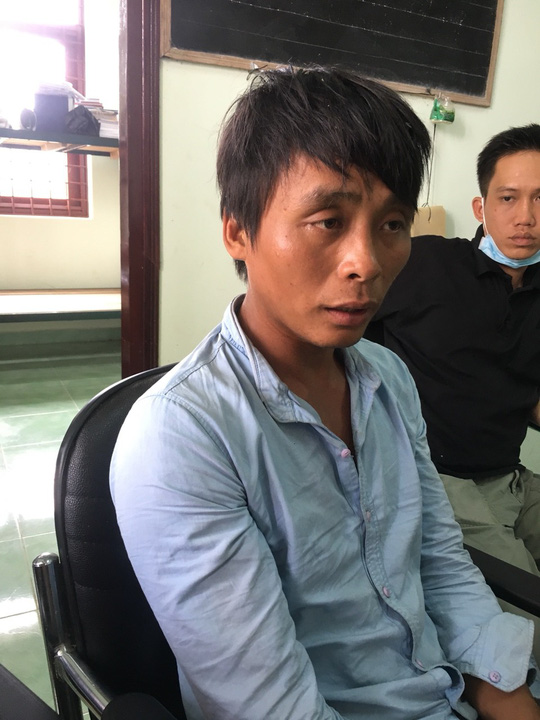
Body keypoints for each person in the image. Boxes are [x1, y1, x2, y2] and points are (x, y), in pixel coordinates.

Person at [110, 67, 540, 720]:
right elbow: (271, 706)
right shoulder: (181, 437)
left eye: (392, 224)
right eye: (327, 221)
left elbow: (442, 564)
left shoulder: (388, 378)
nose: (365, 262)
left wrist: (508, 694)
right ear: (238, 231)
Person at [365, 124, 540, 576]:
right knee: (527, 599)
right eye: (508, 198)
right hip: (436, 479)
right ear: (481, 207)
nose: (526, 217)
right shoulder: (424, 263)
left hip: (512, 477)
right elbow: (338, 334)